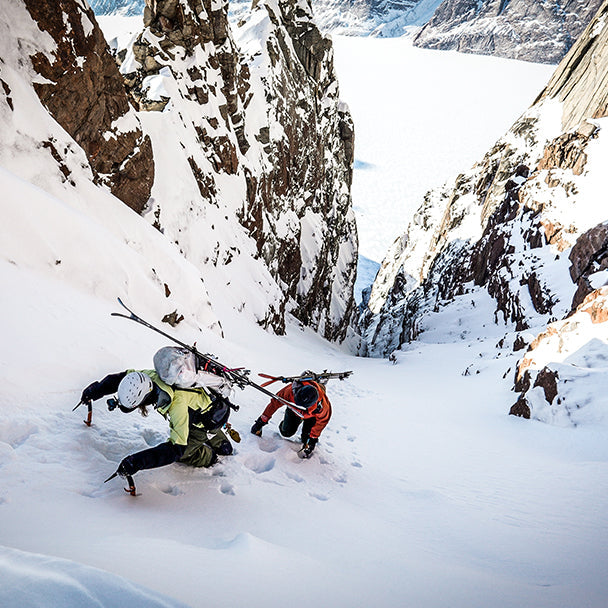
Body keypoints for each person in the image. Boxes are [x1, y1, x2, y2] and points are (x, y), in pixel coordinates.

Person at [80, 369, 234, 478]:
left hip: (212, 418)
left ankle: (209, 456)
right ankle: (217, 439)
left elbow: (176, 449)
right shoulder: (148, 377)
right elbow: (120, 378)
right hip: (202, 405)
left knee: (186, 451)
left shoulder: (177, 405)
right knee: (194, 419)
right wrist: (94, 391)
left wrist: (139, 461)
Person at [250, 378, 331, 458]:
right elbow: (274, 403)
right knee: (286, 432)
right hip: (294, 410)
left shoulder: (322, 407)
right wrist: (261, 421)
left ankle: (320, 384)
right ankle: (293, 420)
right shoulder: (290, 391)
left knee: (306, 440)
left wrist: (313, 438)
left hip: (312, 416)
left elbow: (322, 422)